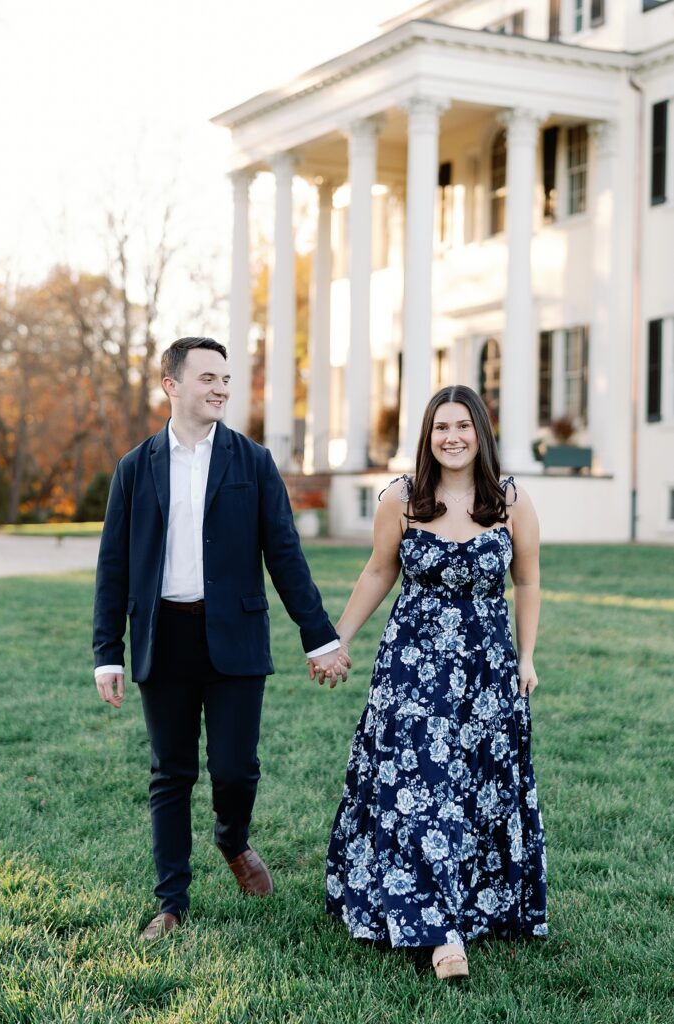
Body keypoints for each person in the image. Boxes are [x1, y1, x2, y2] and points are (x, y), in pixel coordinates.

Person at [92, 336, 349, 941]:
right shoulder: (134, 469)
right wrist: (108, 652)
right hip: (164, 637)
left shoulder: (252, 461)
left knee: (235, 768)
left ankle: (233, 839)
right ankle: (171, 902)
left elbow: (284, 555)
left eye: (227, 379)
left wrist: (320, 638)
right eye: (208, 377)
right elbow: (114, 567)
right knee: (171, 773)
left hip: (235, 636)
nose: (221, 389)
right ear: (171, 385)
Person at [321, 384, 547, 980]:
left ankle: (474, 905)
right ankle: (441, 932)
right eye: (441, 426)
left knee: (474, 785)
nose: (452, 437)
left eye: (464, 426)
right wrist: (337, 639)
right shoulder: (400, 497)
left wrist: (526, 657)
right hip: (412, 667)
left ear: (481, 433)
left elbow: (528, 582)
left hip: (486, 667)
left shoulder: (511, 500)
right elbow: (378, 571)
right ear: (427, 435)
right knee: (419, 783)